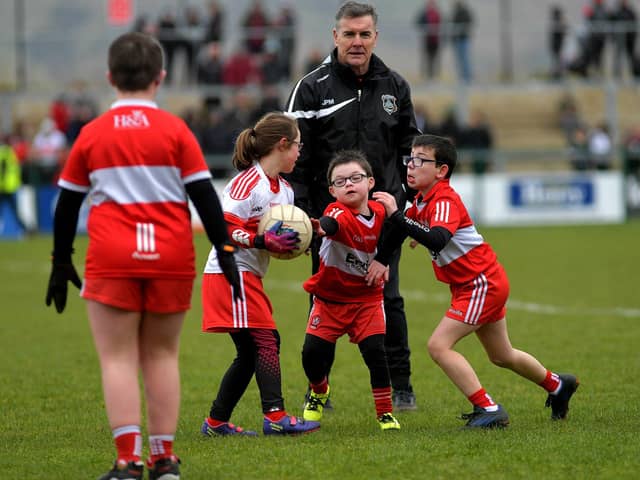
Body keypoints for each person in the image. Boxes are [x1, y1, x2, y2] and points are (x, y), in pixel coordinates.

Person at [44, 32, 241, 480]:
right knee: (162, 356)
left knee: (117, 359)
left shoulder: (92, 134)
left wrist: (60, 261)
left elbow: (67, 204)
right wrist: (225, 249)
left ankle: (127, 461)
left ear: (110, 77)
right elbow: (205, 198)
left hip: (112, 255)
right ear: (161, 77)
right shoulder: (177, 130)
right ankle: (165, 459)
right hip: (171, 253)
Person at [368, 134, 579, 428]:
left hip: (481, 284)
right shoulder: (423, 199)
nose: (410, 166)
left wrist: (399, 217)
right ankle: (558, 385)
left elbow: (438, 238)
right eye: (410, 159)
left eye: (419, 160)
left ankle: (488, 408)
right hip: (478, 282)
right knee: (502, 355)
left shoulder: (443, 198)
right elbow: (402, 229)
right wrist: (382, 256)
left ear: (441, 170)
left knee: (438, 346)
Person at [284, 1, 421, 411]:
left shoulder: (395, 86)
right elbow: (295, 158)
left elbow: (410, 154)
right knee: (321, 306)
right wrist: (305, 218)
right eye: (349, 34)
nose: (357, 42)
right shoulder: (312, 87)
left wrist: (405, 207)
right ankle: (318, 388)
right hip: (329, 225)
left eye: (364, 34)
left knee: (389, 300)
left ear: (375, 37)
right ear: (335, 36)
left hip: (382, 221)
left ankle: (402, 387)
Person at [200, 111, 321, 437]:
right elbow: (224, 226)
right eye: (297, 145)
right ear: (282, 145)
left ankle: (215, 423)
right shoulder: (246, 182)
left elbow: (274, 235)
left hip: (248, 274)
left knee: (252, 350)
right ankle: (276, 416)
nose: (300, 152)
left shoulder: (284, 190)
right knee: (266, 340)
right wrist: (259, 239)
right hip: (229, 272)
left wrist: (304, 236)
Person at [301, 150, 400, 431]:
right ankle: (319, 392)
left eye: (355, 178)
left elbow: (397, 231)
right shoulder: (336, 212)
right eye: (340, 181)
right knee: (311, 355)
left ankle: (385, 413)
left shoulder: (381, 211)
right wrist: (320, 228)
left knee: (375, 354)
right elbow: (331, 224)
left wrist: (384, 260)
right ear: (332, 190)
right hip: (330, 300)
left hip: (367, 298)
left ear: (370, 182)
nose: (349, 184)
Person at [0, 138, 28, 233]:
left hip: (4, 187)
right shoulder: (11, 152)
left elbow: (4, 170)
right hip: (10, 187)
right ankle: (24, 229)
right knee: (15, 211)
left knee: (9, 211)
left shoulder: (4, 153)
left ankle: (24, 229)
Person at [415, 0, 442, 80]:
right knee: (427, 58)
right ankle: (426, 76)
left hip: (435, 40)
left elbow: (441, 24)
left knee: (434, 58)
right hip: (427, 40)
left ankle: (434, 76)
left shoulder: (437, 14)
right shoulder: (424, 14)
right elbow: (417, 22)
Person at [450, 0, 473, 83]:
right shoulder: (455, 12)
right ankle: (462, 77)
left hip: (463, 39)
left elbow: (469, 23)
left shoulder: (465, 12)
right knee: (459, 60)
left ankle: (467, 78)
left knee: (465, 59)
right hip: (457, 40)